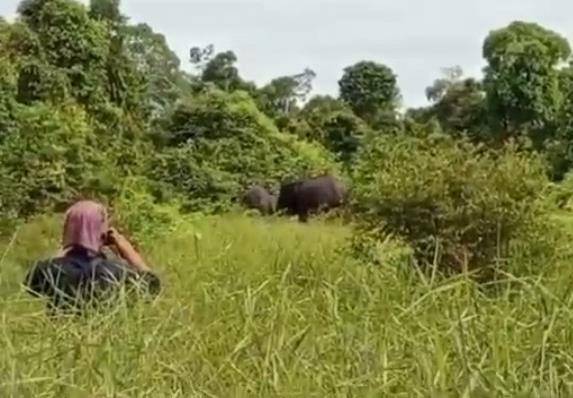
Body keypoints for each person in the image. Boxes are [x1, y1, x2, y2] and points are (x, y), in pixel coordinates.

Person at [24, 200, 160, 313]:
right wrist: (125, 248)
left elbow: (30, 287)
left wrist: (67, 246)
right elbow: (152, 286)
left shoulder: (49, 270)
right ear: (103, 232)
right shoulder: (114, 271)